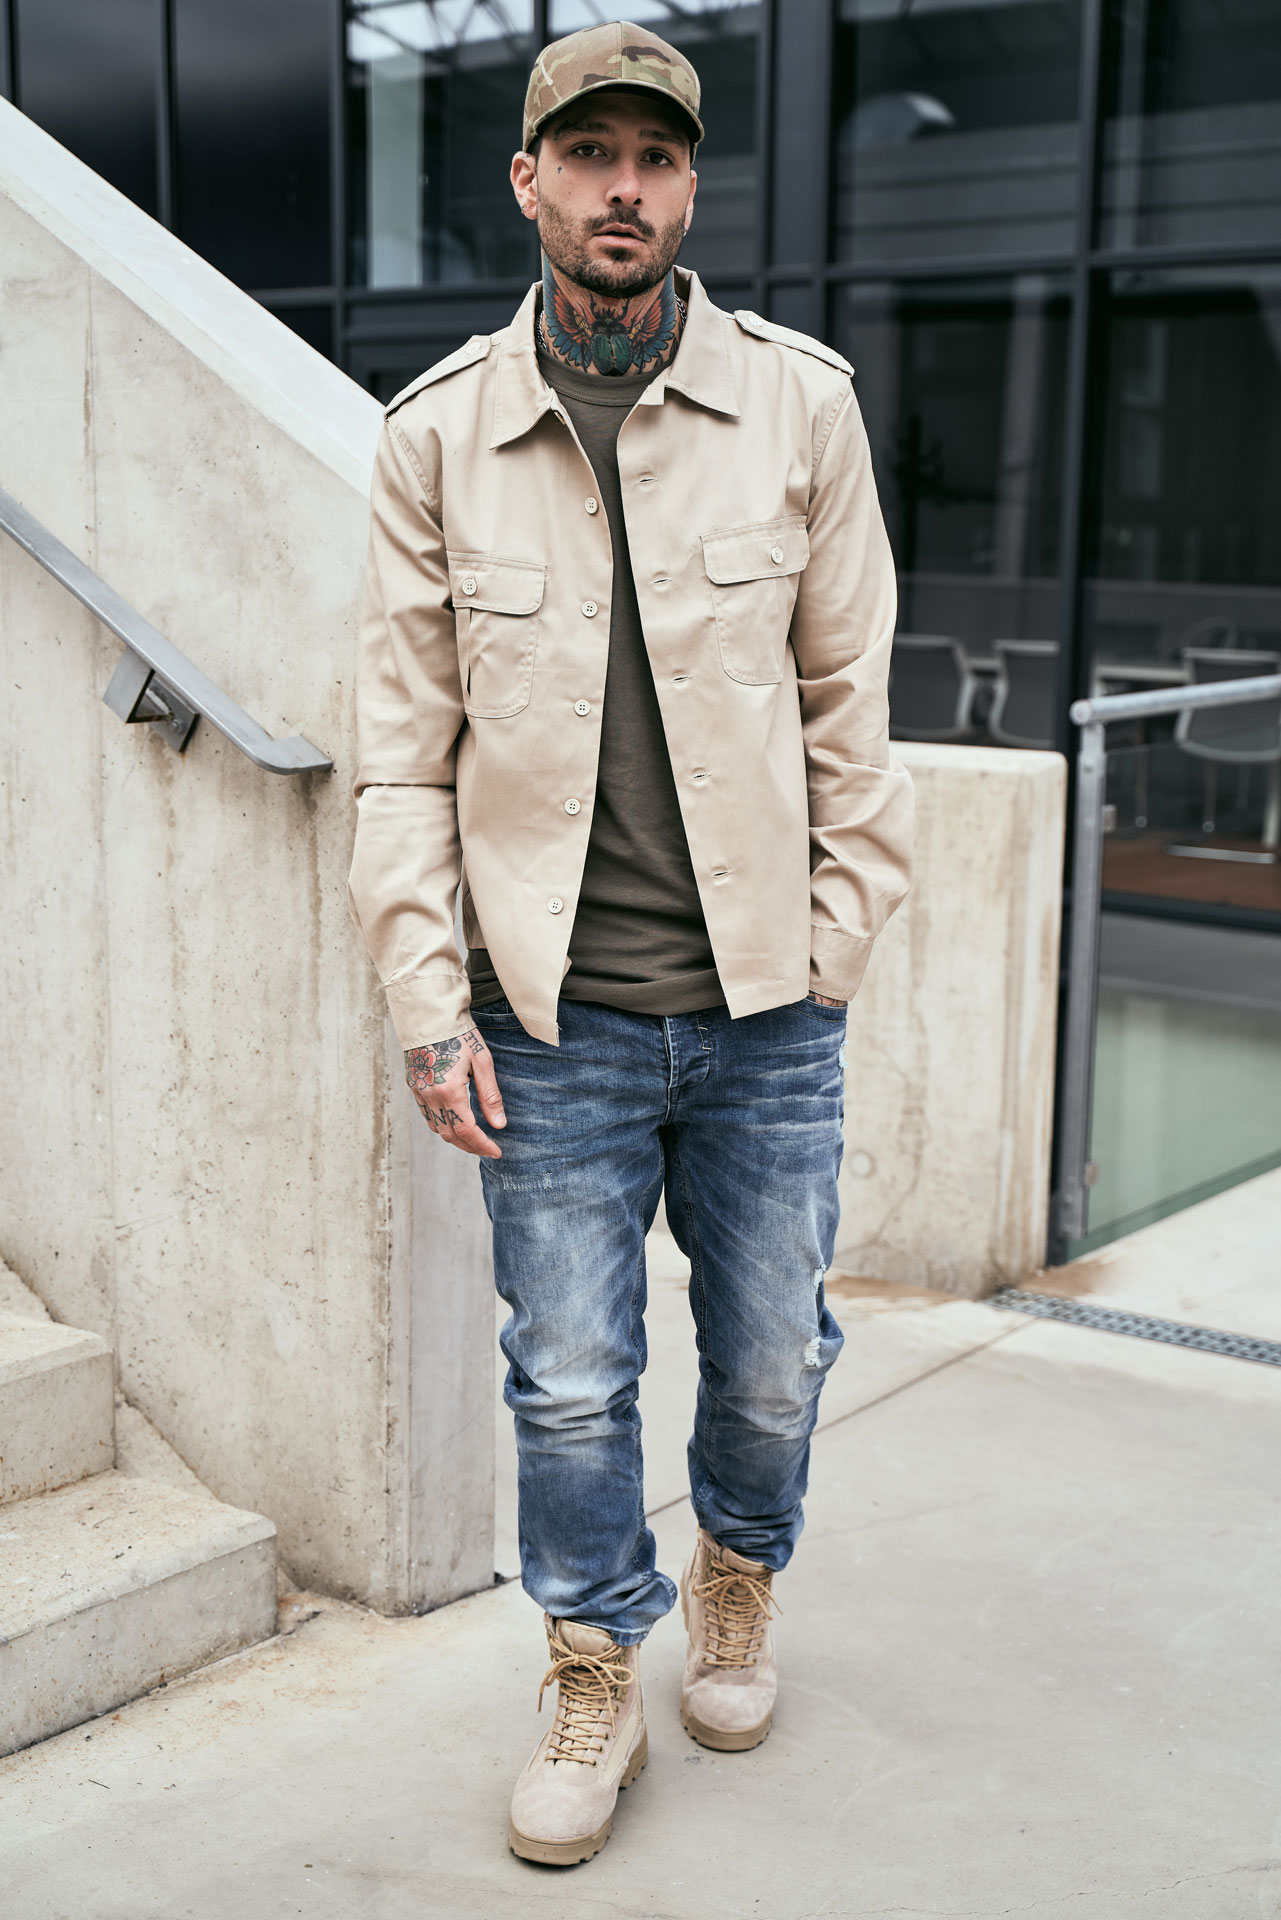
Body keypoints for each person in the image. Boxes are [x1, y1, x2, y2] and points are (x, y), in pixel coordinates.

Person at [347, 18, 913, 1869]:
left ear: (686, 188)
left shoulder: (797, 407)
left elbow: (849, 706)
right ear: (526, 181)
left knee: (769, 1361)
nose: (622, 189)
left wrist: (833, 945)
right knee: (571, 1378)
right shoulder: (437, 436)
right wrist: (427, 1001)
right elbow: (400, 757)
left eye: (653, 159)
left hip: (764, 1011)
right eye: (587, 155)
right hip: (550, 1018)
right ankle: (592, 1661)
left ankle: (737, 1575)